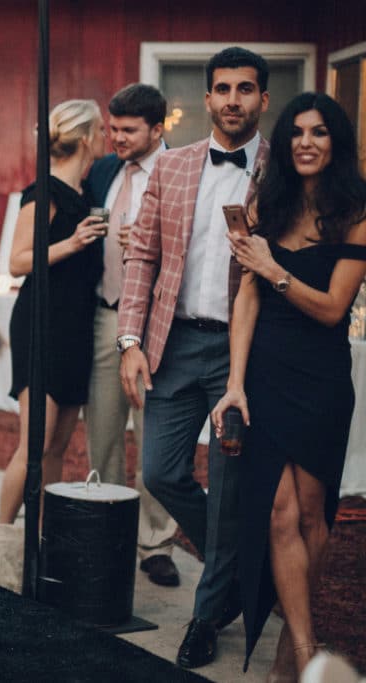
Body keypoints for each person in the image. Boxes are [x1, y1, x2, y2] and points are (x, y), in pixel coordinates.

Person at [117, 46, 270, 668]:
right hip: (173, 343)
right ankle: (236, 558)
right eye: (223, 89)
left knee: (230, 487)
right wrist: (130, 340)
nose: (233, 99)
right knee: (159, 472)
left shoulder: (279, 173)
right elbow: (144, 256)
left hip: (245, 353)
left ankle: (206, 619)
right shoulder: (173, 167)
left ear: (263, 98)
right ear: (206, 99)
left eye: (246, 89)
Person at [210, 93, 366, 679]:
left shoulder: (356, 211)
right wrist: (234, 384)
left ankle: (293, 646)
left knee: (310, 516)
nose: (306, 142)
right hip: (266, 372)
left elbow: (331, 310)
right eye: (297, 132)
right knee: (277, 513)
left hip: (321, 376)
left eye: (319, 132)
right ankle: (304, 653)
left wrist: (274, 269)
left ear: (336, 143)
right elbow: (246, 297)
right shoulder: (267, 204)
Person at [84, 84, 180, 587]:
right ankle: (106, 530)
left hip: (155, 322)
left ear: (157, 129)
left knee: (154, 438)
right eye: (111, 128)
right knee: (101, 432)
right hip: (104, 312)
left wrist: (150, 243)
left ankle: (156, 543)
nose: (115, 138)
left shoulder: (179, 171)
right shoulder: (103, 170)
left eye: (127, 130)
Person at [0, 99, 106, 525]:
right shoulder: (42, 192)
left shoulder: (89, 194)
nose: (105, 139)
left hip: (77, 325)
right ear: (84, 138)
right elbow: (18, 261)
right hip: (42, 322)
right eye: (100, 130)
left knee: (59, 446)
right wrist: (72, 244)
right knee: (35, 445)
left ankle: (43, 537)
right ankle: (1, 538)